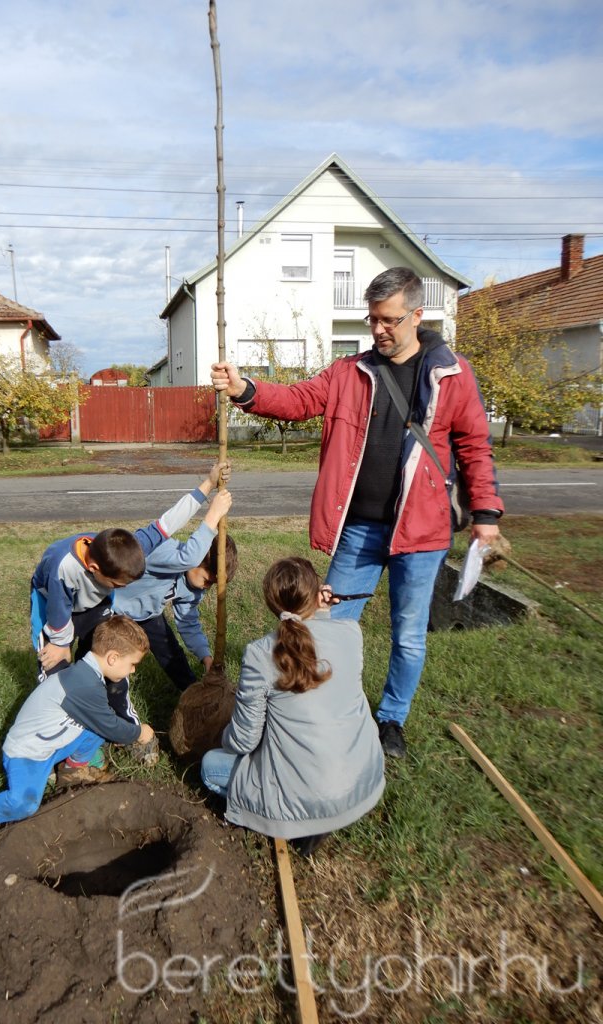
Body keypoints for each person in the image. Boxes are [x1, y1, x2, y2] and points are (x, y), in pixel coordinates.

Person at [211, 267, 503, 759]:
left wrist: (486, 513)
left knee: (408, 635)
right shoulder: (350, 372)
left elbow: (475, 445)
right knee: (327, 624)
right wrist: (246, 389)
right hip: (360, 531)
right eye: (373, 319)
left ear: (417, 315)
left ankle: (391, 720)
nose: (379, 330)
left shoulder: (452, 373)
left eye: (389, 320)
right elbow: (300, 399)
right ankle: (321, 706)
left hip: (422, 532)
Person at [201, 557, 385, 856]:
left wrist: (221, 735)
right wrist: (322, 613)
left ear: (271, 604)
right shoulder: (351, 631)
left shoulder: (260, 654)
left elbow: (244, 741)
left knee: (210, 766)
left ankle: (289, 823)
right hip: (363, 781)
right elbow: (319, 650)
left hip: (307, 795)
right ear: (318, 592)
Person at [0, 616, 153, 849]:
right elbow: (113, 728)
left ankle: (73, 772)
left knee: (96, 728)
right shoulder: (85, 686)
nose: (133, 670)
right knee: (25, 804)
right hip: (27, 753)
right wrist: (139, 732)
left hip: (52, 742)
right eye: (133, 664)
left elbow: (104, 723)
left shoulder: (87, 675)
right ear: (113, 658)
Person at [31, 461, 230, 678]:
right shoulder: (65, 568)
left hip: (113, 608)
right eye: (117, 585)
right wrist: (60, 643)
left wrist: (209, 483)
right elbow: (58, 605)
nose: (121, 589)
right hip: (66, 608)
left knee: (106, 662)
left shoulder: (134, 551)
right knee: (64, 661)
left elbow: (168, 522)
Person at [112, 488, 238, 691]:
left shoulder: (193, 589)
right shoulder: (166, 551)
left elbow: (188, 623)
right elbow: (188, 558)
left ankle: (191, 693)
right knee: (112, 658)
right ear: (198, 559)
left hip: (147, 614)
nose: (206, 587)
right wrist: (214, 514)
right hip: (113, 608)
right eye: (207, 579)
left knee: (171, 653)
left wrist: (205, 656)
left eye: (212, 584)